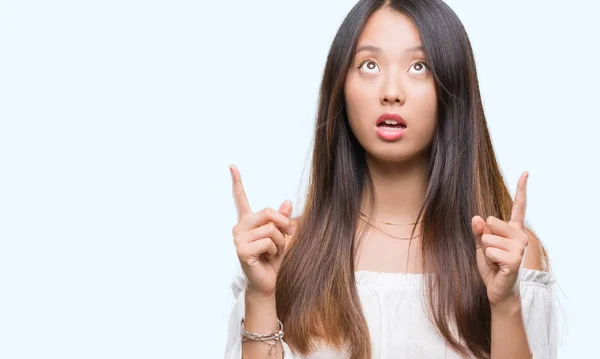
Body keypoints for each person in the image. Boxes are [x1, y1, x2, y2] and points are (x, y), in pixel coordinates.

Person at [224, 0, 557, 358]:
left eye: (418, 66)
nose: (391, 92)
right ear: (340, 86)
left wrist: (505, 304)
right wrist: (259, 296)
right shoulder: (285, 251)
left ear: (452, 89)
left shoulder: (505, 253)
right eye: (369, 65)